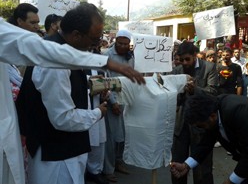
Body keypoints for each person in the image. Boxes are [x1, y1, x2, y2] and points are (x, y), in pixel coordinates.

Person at [0, 16, 144, 184]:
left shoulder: (59, 51)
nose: (96, 44)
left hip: (62, 153)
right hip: (57, 158)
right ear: (77, 35)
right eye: (93, 39)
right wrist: (97, 113)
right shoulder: (55, 63)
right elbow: (62, 118)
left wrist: (89, 83)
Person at [170, 89, 248, 184]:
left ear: (212, 116)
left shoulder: (237, 110)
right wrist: (186, 165)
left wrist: (231, 181)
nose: (200, 129)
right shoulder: (212, 113)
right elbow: (205, 143)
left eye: (201, 126)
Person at [172, 41, 218, 184]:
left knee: (202, 170)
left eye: (187, 59)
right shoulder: (176, 71)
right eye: (181, 60)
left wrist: (195, 90)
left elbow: (213, 93)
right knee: (177, 167)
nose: (185, 63)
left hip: (202, 125)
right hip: (181, 126)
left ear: (194, 56)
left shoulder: (209, 67)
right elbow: (174, 98)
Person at [103, 29, 134, 182]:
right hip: (112, 102)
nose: (122, 46)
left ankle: (119, 161)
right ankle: (108, 169)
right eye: (120, 43)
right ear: (115, 41)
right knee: (111, 137)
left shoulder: (131, 56)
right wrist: (113, 102)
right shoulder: (106, 56)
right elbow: (105, 81)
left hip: (127, 101)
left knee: (124, 134)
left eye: (125, 44)